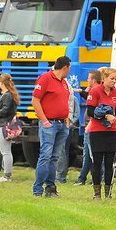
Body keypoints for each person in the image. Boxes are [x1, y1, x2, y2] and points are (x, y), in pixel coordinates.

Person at [31, 56, 72, 198]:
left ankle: (50, 187)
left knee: (54, 157)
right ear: (65, 67)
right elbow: (35, 100)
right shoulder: (45, 78)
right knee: (46, 155)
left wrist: (66, 120)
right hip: (50, 124)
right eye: (69, 68)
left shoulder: (64, 83)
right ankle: (37, 189)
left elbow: (64, 102)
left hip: (61, 124)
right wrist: (45, 120)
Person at [86, 67, 116, 199]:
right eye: (112, 79)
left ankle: (108, 192)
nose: (114, 81)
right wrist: (105, 116)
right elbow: (90, 111)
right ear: (104, 78)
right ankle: (97, 193)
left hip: (112, 131)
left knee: (109, 162)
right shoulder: (95, 91)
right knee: (97, 161)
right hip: (97, 130)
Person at [0, 73, 20, 182]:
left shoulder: (7, 95)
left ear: (1, 83)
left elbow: (5, 111)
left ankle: (7, 175)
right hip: (8, 125)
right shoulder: (11, 94)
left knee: (5, 151)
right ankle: (6, 174)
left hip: (4, 125)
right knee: (6, 150)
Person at [74, 70, 101, 186]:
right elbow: (87, 96)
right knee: (88, 155)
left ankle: (92, 178)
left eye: (89, 78)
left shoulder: (96, 92)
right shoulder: (92, 91)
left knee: (92, 155)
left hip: (91, 127)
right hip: (88, 126)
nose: (87, 80)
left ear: (94, 80)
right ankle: (83, 178)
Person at [55, 92, 79, 184]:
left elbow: (76, 115)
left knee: (62, 152)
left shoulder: (73, 99)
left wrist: (69, 125)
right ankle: (60, 176)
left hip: (68, 129)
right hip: (61, 127)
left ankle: (60, 177)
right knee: (62, 152)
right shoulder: (61, 98)